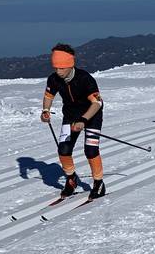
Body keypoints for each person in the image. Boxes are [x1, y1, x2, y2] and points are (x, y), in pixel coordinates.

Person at [40, 43, 106, 200]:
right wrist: (45, 111)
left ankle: (98, 183)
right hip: (70, 117)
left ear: (70, 65)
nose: (58, 71)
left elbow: (97, 103)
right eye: (56, 68)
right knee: (63, 150)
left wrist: (84, 120)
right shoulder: (54, 79)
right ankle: (71, 179)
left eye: (62, 68)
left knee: (90, 151)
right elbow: (48, 97)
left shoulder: (85, 79)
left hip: (92, 116)